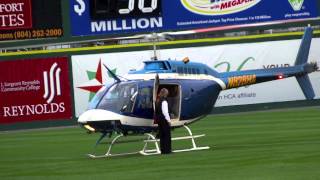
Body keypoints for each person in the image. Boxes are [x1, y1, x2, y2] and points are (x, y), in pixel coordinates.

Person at [155, 88, 172, 154]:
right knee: (167, 135)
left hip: (158, 119)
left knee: (162, 135)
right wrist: (169, 121)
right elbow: (165, 112)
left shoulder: (158, 100)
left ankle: (163, 150)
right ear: (165, 94)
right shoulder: (164, 101)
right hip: (163, 119)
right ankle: (167, 150)